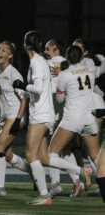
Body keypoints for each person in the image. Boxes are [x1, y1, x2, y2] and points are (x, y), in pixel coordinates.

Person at [40, 45, 105, 199]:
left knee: (51, 154)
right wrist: (102, 59)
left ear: (67, 58)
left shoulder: (64, 75)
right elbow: (102, 68)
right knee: (95, 156)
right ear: (82, 57)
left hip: (72, 119)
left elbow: (60, 99)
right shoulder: (90, 70)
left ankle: (80, 171)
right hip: (89, 119)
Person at [13, 31, 55, 205]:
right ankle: (80, 173)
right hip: (44, 113)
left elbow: (37, 88)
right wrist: (26, 92)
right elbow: (47, 90)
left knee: (30, 155)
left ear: (24, 45)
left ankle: (45, 195)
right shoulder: (39, 61)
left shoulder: (37, 62)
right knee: (42, 157)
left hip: (41, 115)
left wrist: (23, 85)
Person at [0, 41, 32, 197]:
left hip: (14, 115)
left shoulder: (13, 73)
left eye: (4, 50)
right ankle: (33, 172)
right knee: (7, 155)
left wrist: (18, 120)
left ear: (10, 55)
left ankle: (0, 188)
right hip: (3, 117)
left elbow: (25, 99)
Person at [44, 39, 83, 198]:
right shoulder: (68, 64)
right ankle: (77, 182)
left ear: (55, 49)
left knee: (50, 153)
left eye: (47, 49)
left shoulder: (48, 63)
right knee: (64, 150)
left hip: (53, 112)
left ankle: (56, 185)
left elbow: (49, 90)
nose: (45, 51)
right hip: (70, 112)